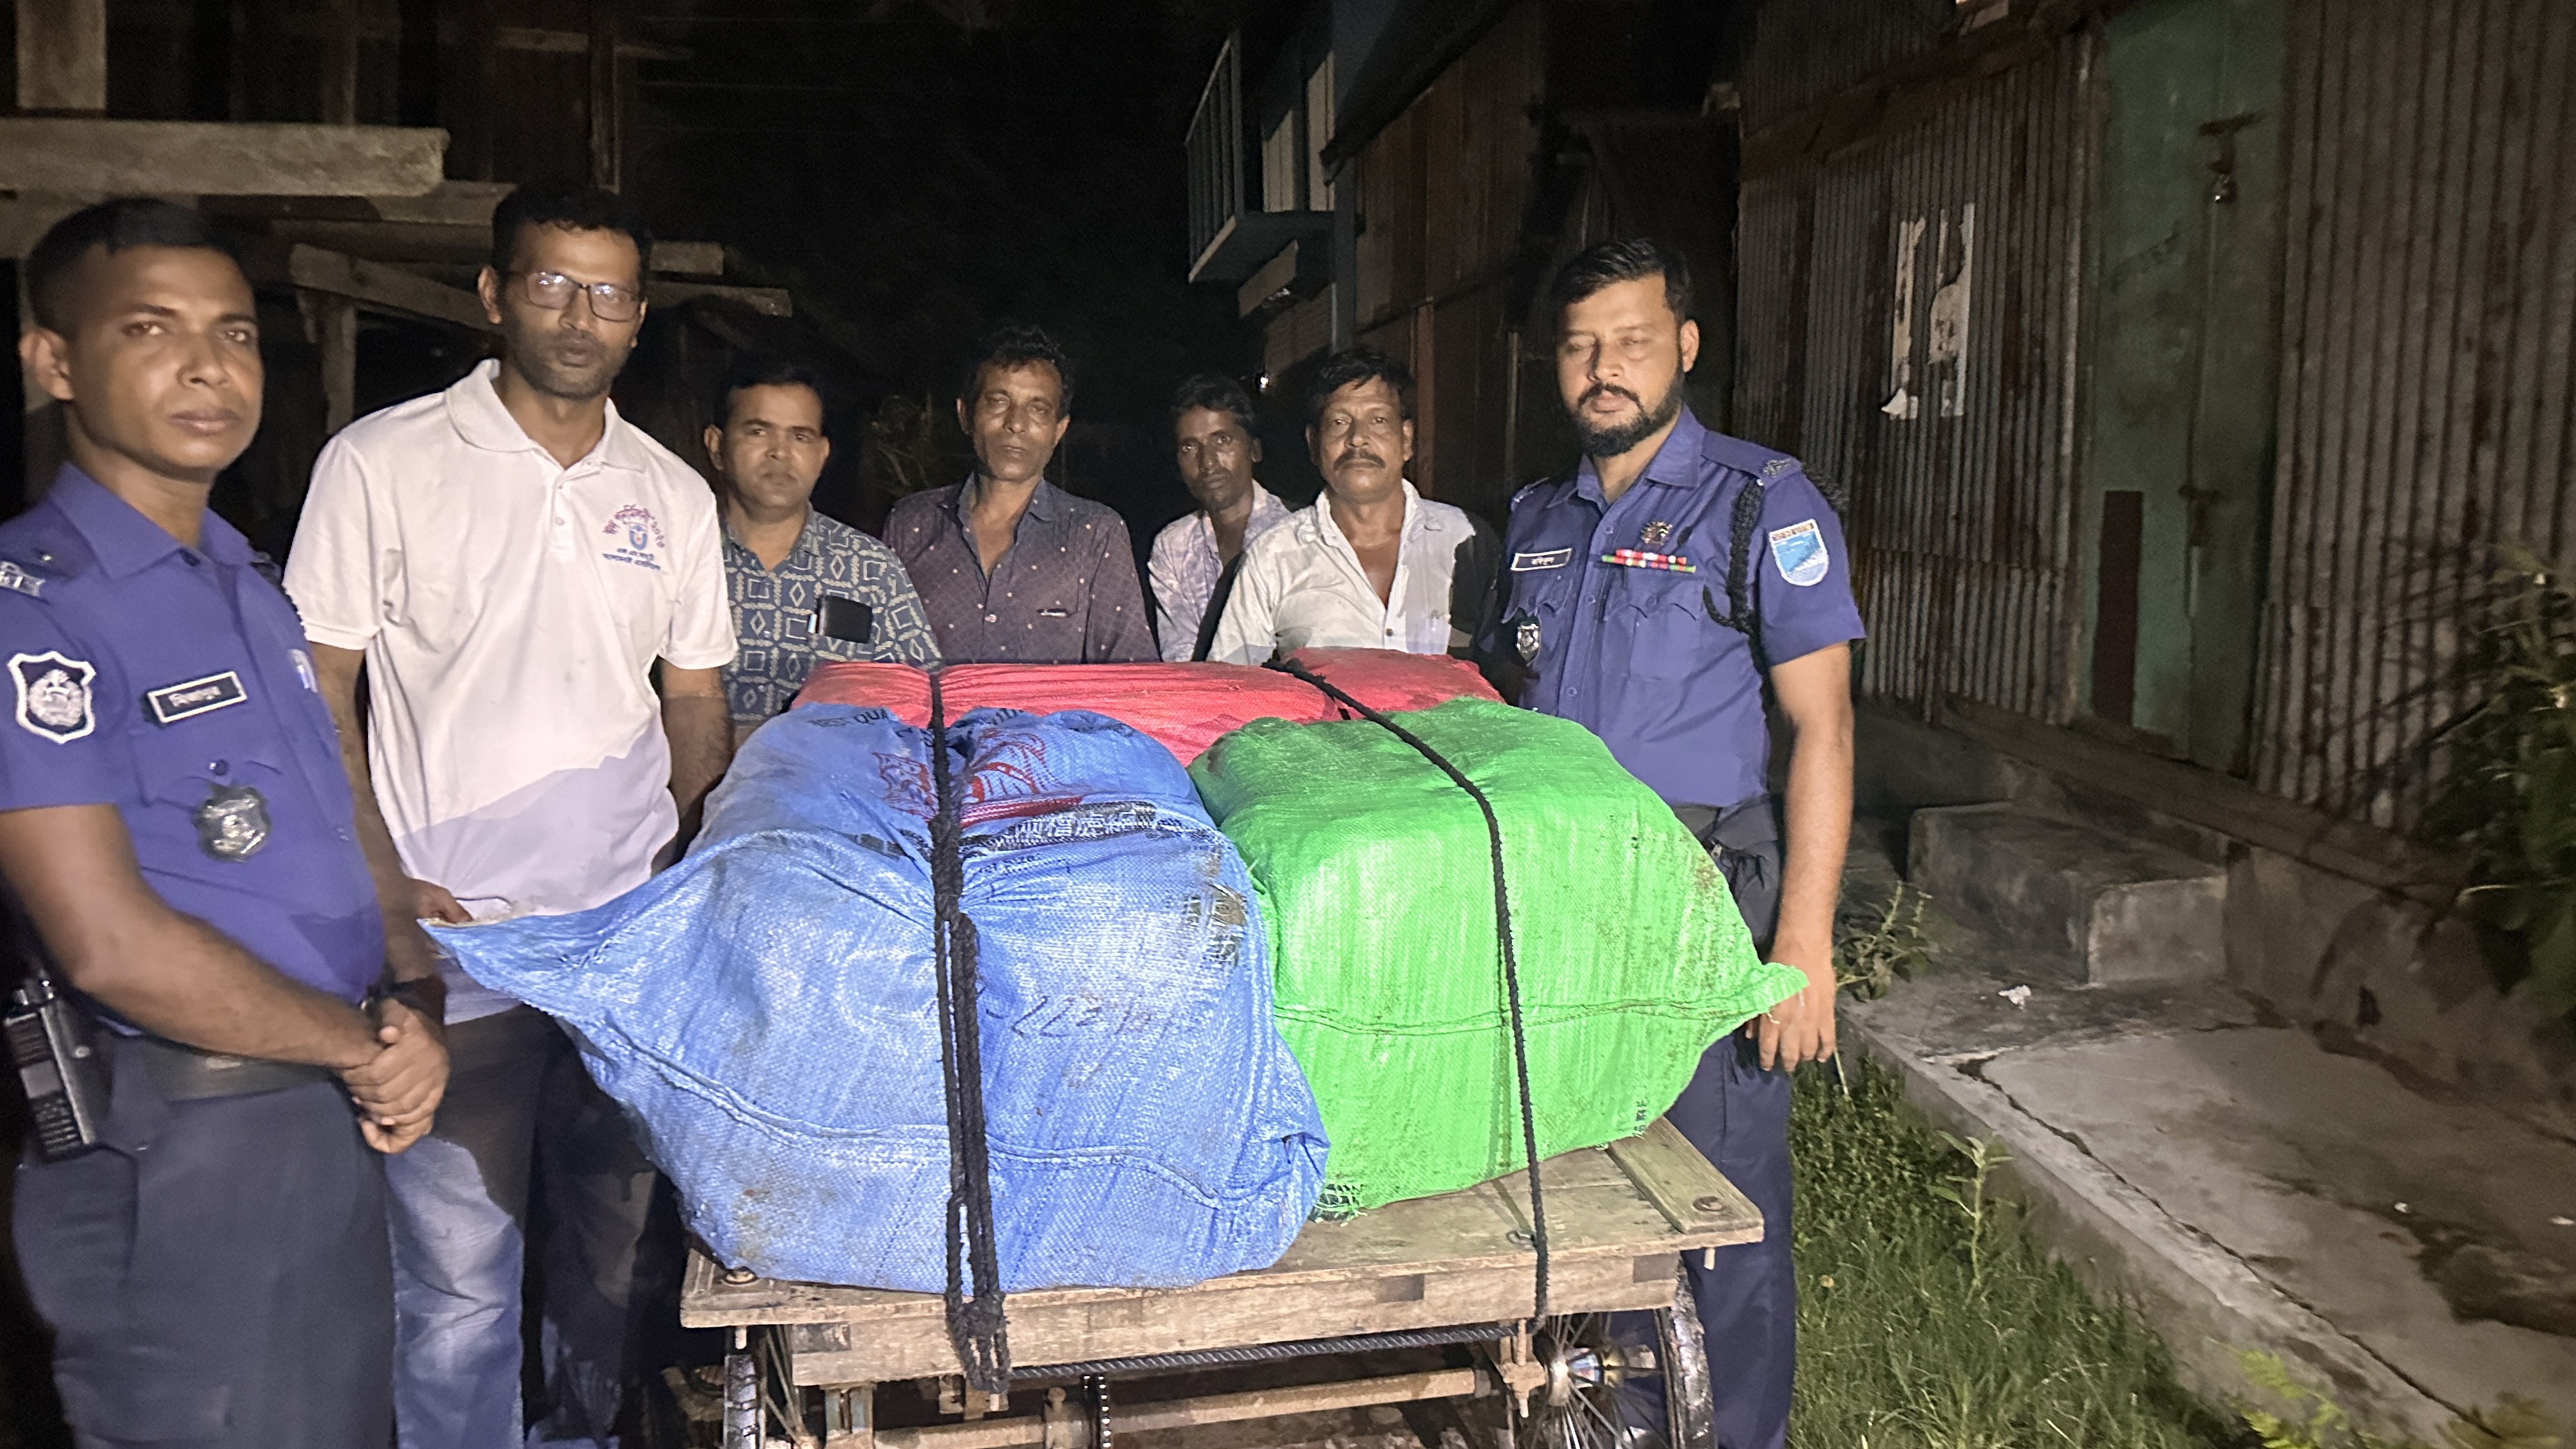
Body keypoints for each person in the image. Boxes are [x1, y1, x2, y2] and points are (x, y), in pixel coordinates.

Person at [284, 181, 736, 1449]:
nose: (579, 317)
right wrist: (379, 878)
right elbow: (319, 681)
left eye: (609, 294)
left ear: (637, 317)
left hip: (618, 953)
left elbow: (694, 697)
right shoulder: (381, 462)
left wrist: (680, 875)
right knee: (456, 1291)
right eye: (551, 284)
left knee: (613, 1265)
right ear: (493, 295)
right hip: (454, 945)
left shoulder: (671, 493)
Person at [0, 198, 448, 1448]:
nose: (208, 366)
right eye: (152, 329)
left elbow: (334, 815)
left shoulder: (249, 587)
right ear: (54, 360)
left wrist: (411, 996)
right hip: (178, 1134)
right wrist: (362, 1047)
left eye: (236, 333)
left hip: (322, 1116)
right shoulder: (34, 609)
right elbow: (107, 944)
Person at [1492, 238, 1860, 1449]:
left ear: (1686, 347)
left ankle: (1735, 1433)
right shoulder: (1535, 520)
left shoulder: (1759, 502)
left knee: (1720, 1208)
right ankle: (1618, 1417)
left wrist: (1802, 947)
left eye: (1633, 341)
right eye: (1581, 346)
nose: (1605, 368)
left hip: (1705, 905)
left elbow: (1822, 728)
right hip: (1561, 904)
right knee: (1587, 1191)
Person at [1206, 348, 1498, 666]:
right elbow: (1230, 682)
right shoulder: (1273, 557)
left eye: (1378, 420)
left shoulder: (1467, 541)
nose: (1358, 439)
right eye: (1339, 422)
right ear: (1314, 445)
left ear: (1407, 440)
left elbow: (1509, 672)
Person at [885, 324, 1154, 663]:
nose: (1016, 423)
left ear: (1059, 430)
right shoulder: (911, 524)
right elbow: (875, 667)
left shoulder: (1095, 533)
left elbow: (1131, 671)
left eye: (1038, 408)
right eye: (999, 402)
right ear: (965, 415)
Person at [706, 355, 940, 738]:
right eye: (758, 432)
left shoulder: (870, 569)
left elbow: (924, 701)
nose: (780, 452)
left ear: (822, 454)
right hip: (694, 774)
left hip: (836, 775)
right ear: (717, 446)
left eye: (800, 436)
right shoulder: (680, 555)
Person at [1147, 373, 1290, 660]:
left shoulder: (1297, 532)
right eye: (1190, 447)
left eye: (1222, 440)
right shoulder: (1173, 546)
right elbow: (1181, 657)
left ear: (1254, 450)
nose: (1208, 462)